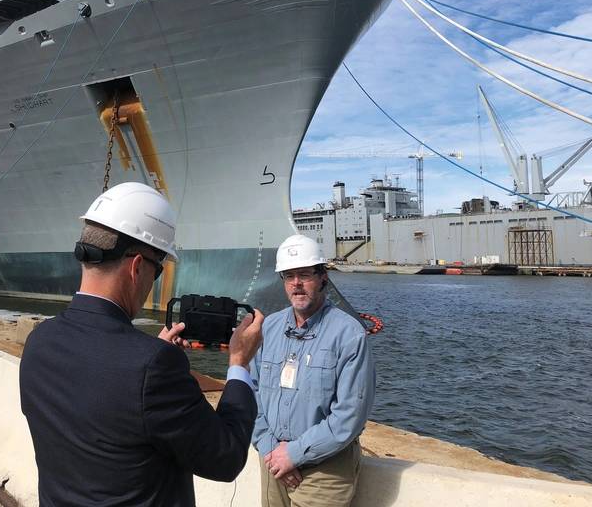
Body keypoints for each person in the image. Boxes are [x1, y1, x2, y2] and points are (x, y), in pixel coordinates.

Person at [19, 182, 264, 507]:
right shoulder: (152, 367)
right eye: (158, 269)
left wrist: (152, 353)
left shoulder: (39, 342)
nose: (154, 280)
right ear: (137, 267)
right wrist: (239, 364)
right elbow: (225, 457)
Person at [251, 234, 375, 507]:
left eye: (305, 274)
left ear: (323, 278)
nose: (296, 283)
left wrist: (293, 454)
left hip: (324, 469)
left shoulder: (348, 334)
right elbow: (252, 391)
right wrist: (270, 447)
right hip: (273, 462)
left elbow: (350, 415)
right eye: (289, 275)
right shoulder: (270, 328)